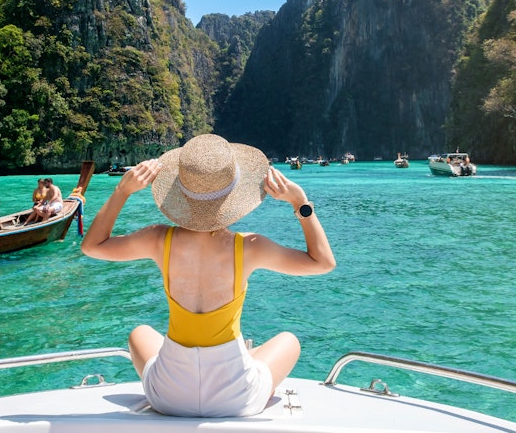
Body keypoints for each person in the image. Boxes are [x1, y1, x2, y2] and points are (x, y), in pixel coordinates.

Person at [80, 134, 336, 418]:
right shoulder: (249, 247)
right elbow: (322, 262)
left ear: (180, 191)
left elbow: (93, 246)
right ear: (235, 194)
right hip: (236, 398)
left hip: (168, 397)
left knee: (139, 333)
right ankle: (241, 363)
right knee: (289, 340)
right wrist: (300, 203)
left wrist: (122, 192)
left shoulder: (157, 240)